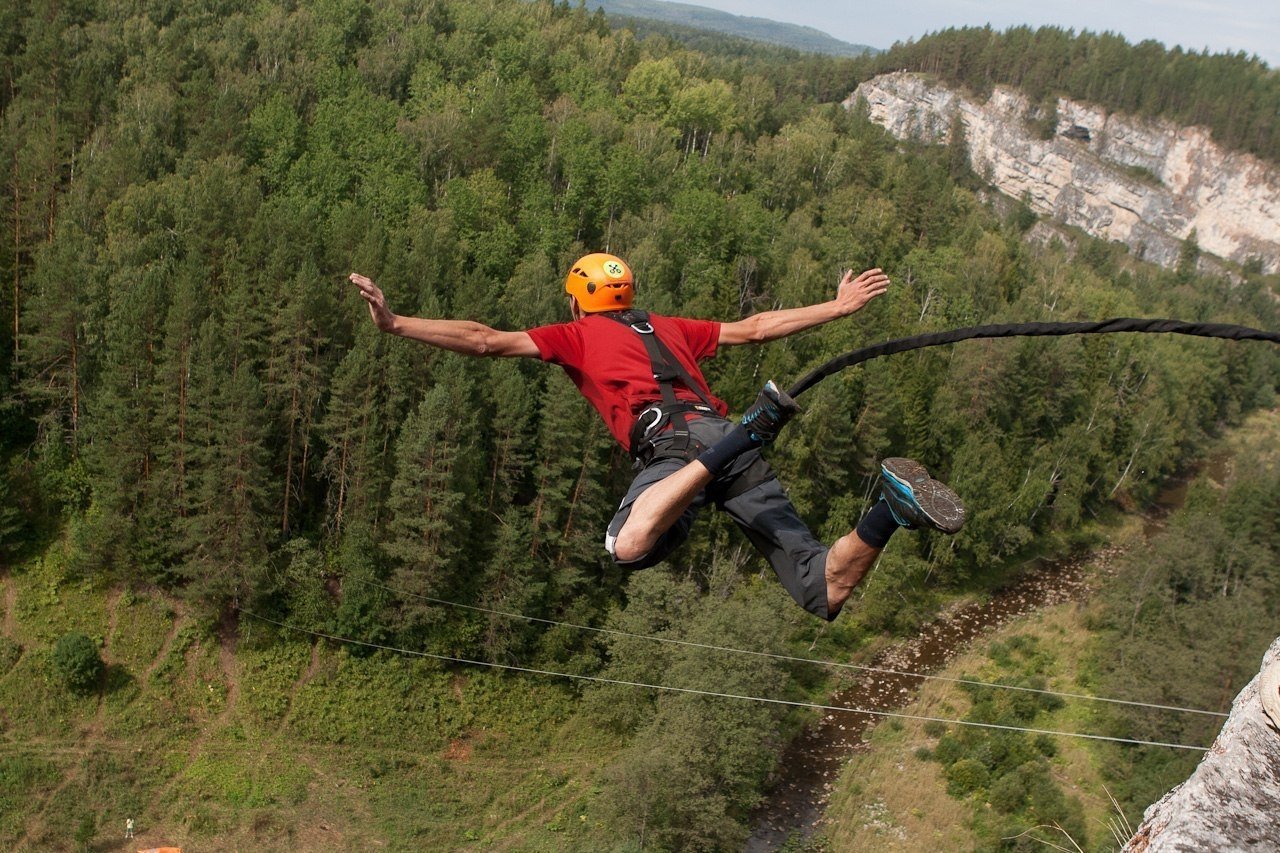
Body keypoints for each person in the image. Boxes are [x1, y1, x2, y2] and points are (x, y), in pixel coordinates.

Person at [349, 253, 964, 620]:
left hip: (681, 445)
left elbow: (483, 339)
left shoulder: (578, 336)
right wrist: (834, 308)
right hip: (725, 436)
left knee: (626, 543)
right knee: (821, 592)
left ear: (579, 302)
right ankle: (891, 510)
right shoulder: (665, 326)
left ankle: (751, 430)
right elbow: (754, 329)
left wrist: (396, 322)